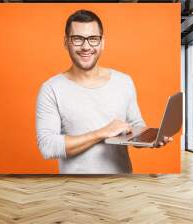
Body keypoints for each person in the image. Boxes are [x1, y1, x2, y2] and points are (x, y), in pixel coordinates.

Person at [36, 9, 172, 174]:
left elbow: (136, 125)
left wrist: (150, 139)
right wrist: (101, 133)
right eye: (77, 39)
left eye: (93, 39)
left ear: (102, 42)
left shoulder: (124, 81)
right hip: (74, 191)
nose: (86, 46)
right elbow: (48, 147)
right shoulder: (51, 88)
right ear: (66, 42)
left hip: (121, 186)